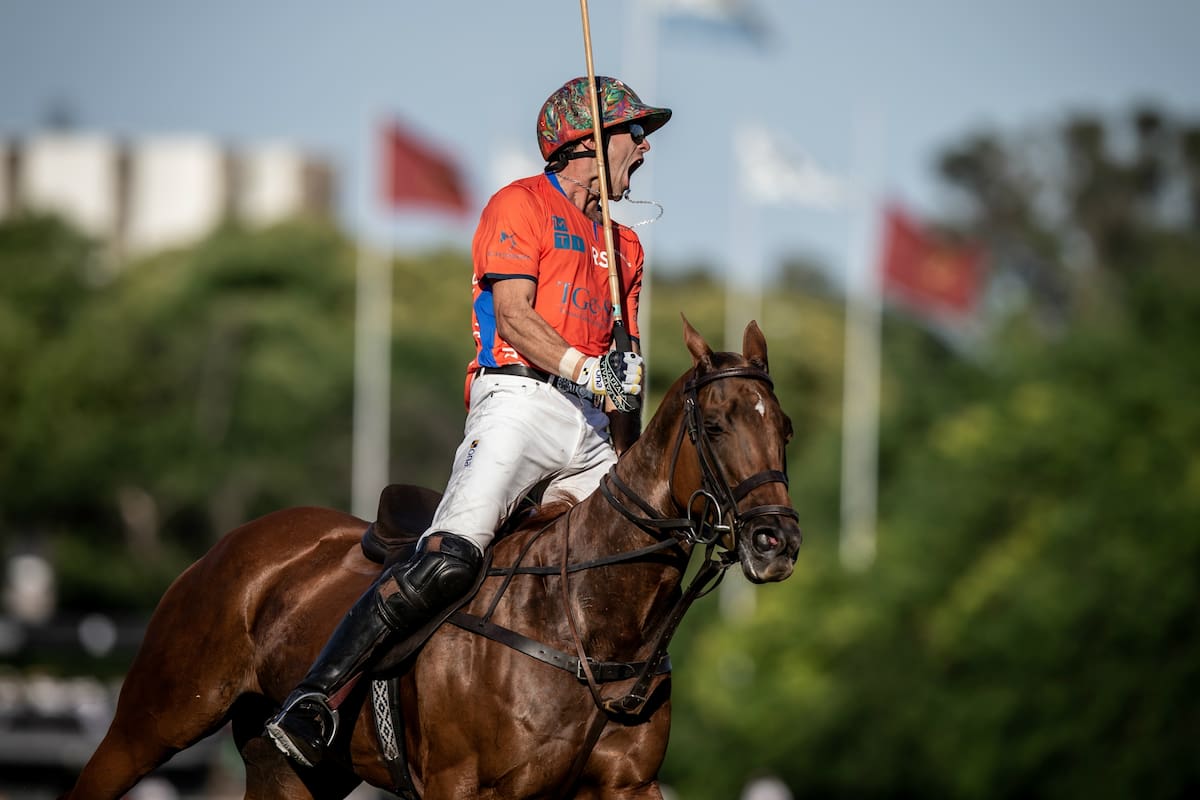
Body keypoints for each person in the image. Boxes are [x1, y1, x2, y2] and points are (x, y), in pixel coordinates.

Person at [265, 75, 672, 768]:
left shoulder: (626, 247)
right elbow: (516, 316)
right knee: (454, 553)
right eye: (633, 136)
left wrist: (625, 418)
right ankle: (316, 698)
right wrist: (590, 372)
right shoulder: (517, 205)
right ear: (588, 142)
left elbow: (620, 376)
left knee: (638, 551)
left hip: (590, 429)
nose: (643, 151)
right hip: (518, 404)